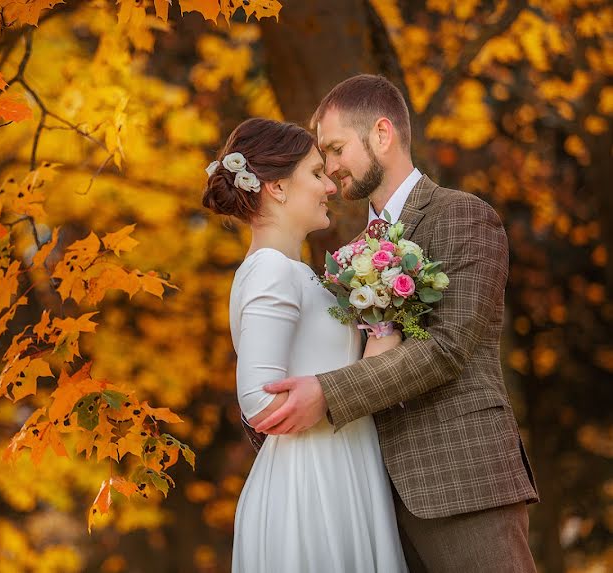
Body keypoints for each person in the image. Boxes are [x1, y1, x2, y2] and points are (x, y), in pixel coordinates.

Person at [251, 75, 540, 571]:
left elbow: (446, 348)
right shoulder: (347, 253)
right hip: (370, 502)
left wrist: (326, 394)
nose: (330, 167)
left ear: (382, 134)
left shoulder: (463, 216)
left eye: (336, 149)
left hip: (462, 485)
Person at [203, 117, 408, 572]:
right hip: (310, 483)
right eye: (316, 174)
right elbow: (258, 401)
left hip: (340, 463)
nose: (330, 186)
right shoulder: (271, 271)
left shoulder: (297, 273)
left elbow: (337, 369)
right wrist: (331, 393)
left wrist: (381, 330)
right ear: (276, 188)